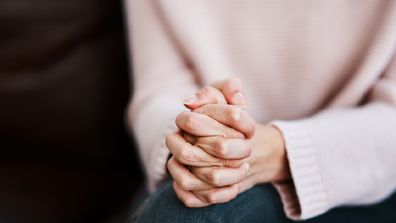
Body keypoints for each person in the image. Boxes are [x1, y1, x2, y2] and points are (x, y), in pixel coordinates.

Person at [126, 0, 396, 222]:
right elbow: (158, 90)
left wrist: (277, 150)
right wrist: (197, 132)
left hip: (359, 169)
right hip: (200, 163)